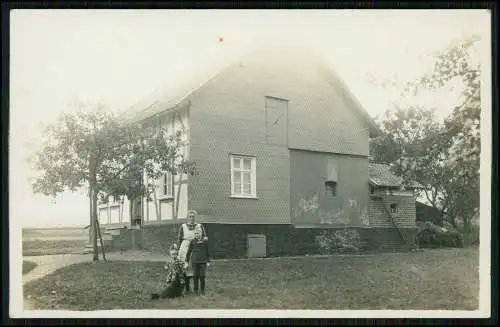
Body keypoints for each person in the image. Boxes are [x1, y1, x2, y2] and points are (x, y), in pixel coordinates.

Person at [175, 209, 207, 293]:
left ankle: (197, 288)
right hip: (185, 248)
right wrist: (178, 250)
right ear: (187, 217)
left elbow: (204, 237)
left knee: (195, 268)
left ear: (195, 217)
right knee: (185, 268)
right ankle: (187, 288)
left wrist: (204, 240)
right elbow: (179, 239)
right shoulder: (183, 226)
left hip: (196, 248)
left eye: (193, 216)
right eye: (190, 216)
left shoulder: (200, 226)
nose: (192, 218)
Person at [185, 227, 210, 295]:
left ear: (201, 233)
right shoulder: (192, 241)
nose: (197, 234)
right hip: (195, 261)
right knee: (195, 276)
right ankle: (195, 290)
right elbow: (189, 252)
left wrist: (208, 261)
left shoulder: (205, 241)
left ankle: (202, 290)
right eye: (195, 233)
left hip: (203, 261)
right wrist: (186, 262)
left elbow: (207, 251)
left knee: (202, 277)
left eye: (198, 233)